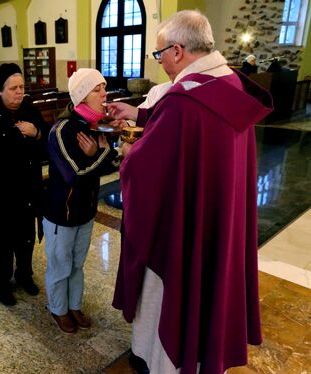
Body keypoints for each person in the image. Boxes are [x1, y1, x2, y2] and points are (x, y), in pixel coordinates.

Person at [108, 10, 273, 373]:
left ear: (178, 50)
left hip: (181, 228)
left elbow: (151, 163)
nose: (160, 61)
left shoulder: (188, 99)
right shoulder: (228, 85)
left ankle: (164, 361)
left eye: (159, 54)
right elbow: (184, 130)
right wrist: (139, 115)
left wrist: (129, 154)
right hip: (219, 216)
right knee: (208, 282)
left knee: (172, 284)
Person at [43, 68, 120, 333]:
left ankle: (74, 305)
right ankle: (58, 309)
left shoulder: (95, 125)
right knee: (60, 265)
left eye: (103, 87)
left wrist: (102, 154)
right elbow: (75, 175)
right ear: (81, 95)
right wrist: (103, 152)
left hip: (85, 212)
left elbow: (110, 167)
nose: (104, 93)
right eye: (97, 89)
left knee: (77, 265)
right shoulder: (62, 130)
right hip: (61, 214)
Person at [0, 63, 46, 306]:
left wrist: (35, 133)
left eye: (22, 87)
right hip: (0, 193)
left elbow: (44, 143)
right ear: (0, 90)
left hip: (27, 188)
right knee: (1, 244)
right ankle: (1, 284)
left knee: (25, 238)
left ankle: (24, 275)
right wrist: (18, 135)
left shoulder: (29, 109)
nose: (19, 92)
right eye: (13, 88)